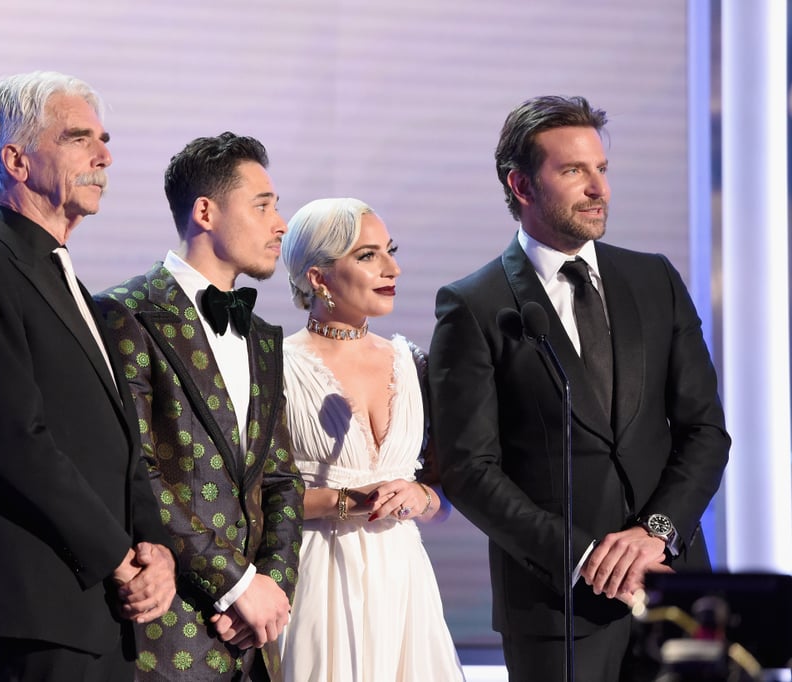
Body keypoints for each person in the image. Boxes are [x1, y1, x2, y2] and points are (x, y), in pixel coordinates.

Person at [427, 95, 731, 682]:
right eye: (573, 171)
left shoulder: (655, 279)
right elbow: (470, 470)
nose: (599, 188)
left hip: (675, 590)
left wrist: (655, 535)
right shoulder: (475, 305)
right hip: (557, 609)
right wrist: (588, 557)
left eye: (602, 169)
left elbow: (705, 430)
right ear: (521, 184)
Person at [0, 71, 176, 681]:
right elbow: (13, 442)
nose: (104, 155)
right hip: (44, 604)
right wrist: (120, 558)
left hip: (107, 610)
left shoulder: (75, 289)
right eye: (78, 138)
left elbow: (119, 444)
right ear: (16, 160)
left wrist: (155, 548)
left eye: (104, 138)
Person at [93, 132, 304, 681]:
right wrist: (235, 584)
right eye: (263, 205)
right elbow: (135, 469)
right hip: (170, 636)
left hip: (255, 641)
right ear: (205, 211)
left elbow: (281, 478)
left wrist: (271, 589)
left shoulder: (262, 336)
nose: (280, 223)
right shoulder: (125, 313)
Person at [272, 197, 466, 681]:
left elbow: (445, 496)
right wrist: (345, 501)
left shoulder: (413, 362)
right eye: (367, 255)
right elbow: (257, 497)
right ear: (318, 277)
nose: (392, 267)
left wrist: (421, 496)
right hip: (317, 575)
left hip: (402, 578)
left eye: (390, 250)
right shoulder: (276, 365)